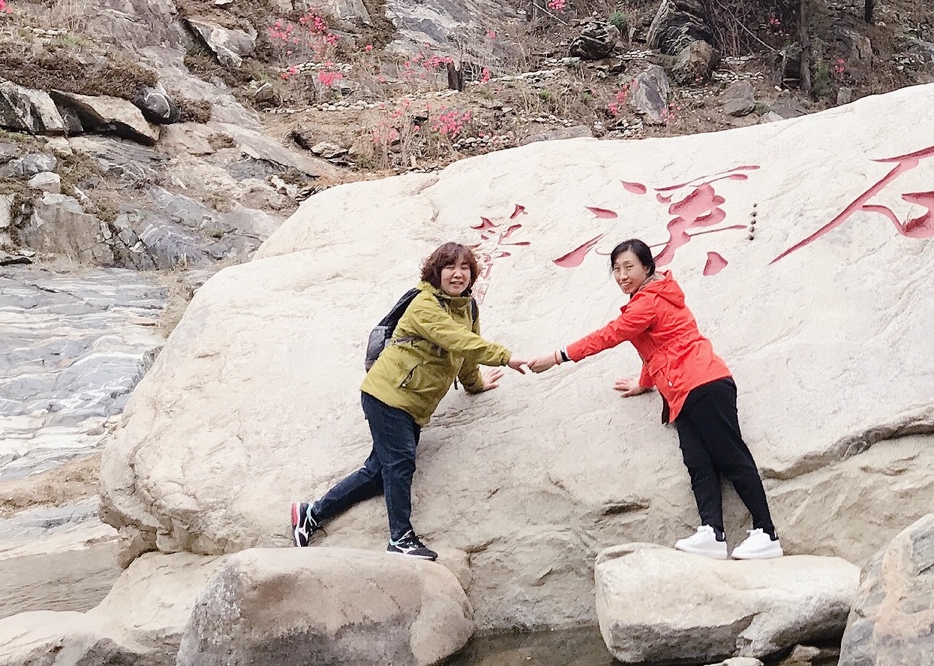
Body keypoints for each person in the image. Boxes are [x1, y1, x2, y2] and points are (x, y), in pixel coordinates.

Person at [522, 238, 782, 560]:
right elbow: (658, 346)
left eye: (629, 266)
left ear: (647, 266)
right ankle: (712, 533)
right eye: (616, 269)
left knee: (731, 457)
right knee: (699, 463)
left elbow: (610, 335)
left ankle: (766, 533)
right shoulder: (653, 297)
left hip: (703, 382)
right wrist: (645, 382)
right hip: (682, 390)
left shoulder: (647, 302)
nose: (622, 275)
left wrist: (558, 356)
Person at [291, 240, 514, 559]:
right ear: (436, 272)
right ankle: (400, 537)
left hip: (411, 405)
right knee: (400, 464)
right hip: (387, 394)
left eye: (465, 268)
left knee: (378, 474)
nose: (458, 274)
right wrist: (508, 358)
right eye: (450, 267)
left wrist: (475, 383)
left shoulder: (467, 308)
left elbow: (466, 353)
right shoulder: (424, 304)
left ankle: (310, 513)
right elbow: (459, 340)